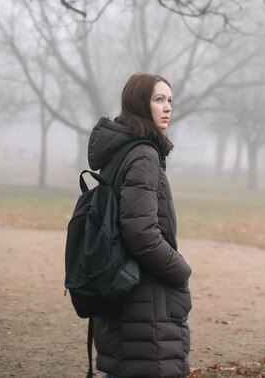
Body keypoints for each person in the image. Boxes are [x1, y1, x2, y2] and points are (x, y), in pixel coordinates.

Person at [87, 72, 192, 378]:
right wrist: (180, 269)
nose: (168, 107)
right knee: (144, 366)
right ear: (138, 104)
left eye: (170, 100)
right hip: (145, 294)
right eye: (159, 100)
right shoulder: (143, 154)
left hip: (123, 283)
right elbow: (141, 233)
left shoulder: (122, 150)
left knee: (123, 366)